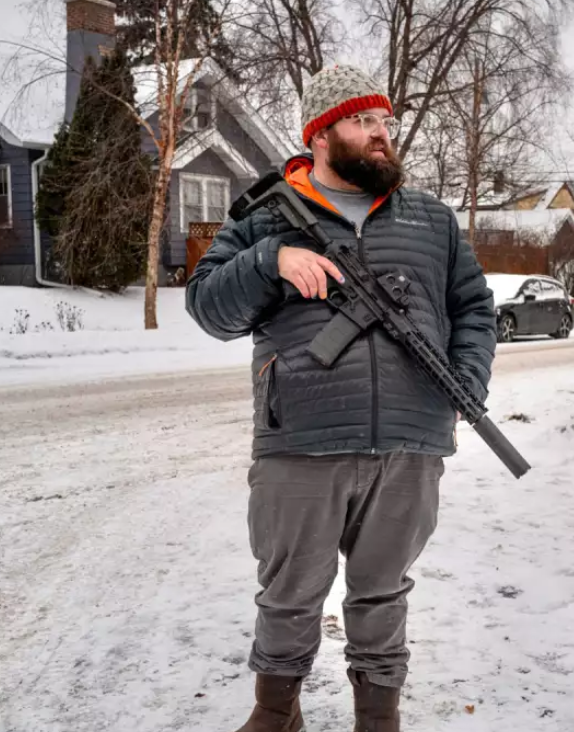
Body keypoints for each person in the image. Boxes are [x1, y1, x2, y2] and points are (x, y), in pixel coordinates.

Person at [185, 65, 497, 732]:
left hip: (410, 441)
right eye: (364, 121)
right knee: (290, 591)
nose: (382, 134)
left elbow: (473, 308)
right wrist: (270, 261)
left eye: (385, 121)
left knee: (384, 592)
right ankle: (276, 712)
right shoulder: (268, 216)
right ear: (322, 135)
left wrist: (466, 386)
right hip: (300, 436)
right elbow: (209, 308)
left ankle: (377, 717)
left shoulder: (432, 221)